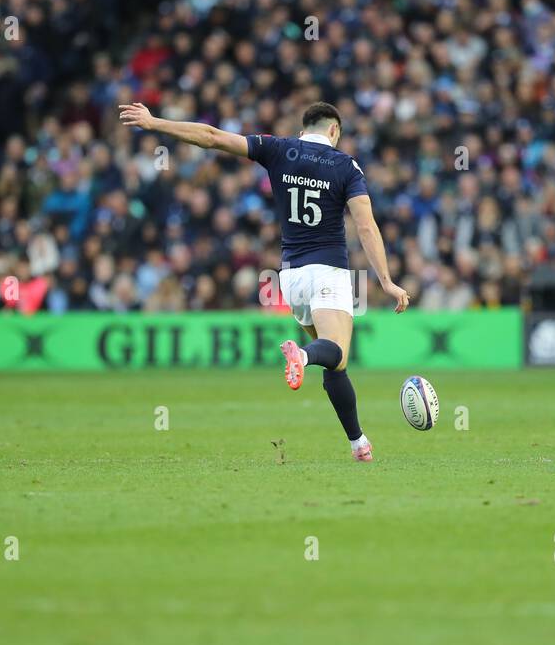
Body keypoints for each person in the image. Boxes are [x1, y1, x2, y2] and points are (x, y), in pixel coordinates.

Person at [118, 101, 409, 460]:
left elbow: (210, 137)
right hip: (328, 272)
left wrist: (154, 122)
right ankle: (300, 355)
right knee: (335, 351)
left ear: (305, 129)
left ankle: (358, 443)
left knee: (335, 364)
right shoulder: (345, 165)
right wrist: (386, 281)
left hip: (291, 278)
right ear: (334, 130)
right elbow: (365, 225)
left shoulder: (278, 148)